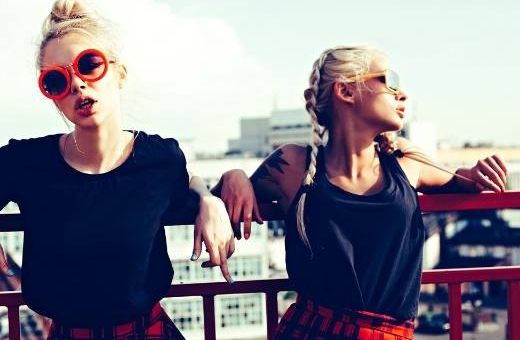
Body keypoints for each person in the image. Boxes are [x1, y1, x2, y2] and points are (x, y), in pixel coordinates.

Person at [0, 0, 234, 340]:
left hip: (148, 332)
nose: (77, 85)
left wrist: (209, 199)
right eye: (57, 81)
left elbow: (186, 181)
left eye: (89, 64)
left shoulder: (160, 159)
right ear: (53, 97)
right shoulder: (26, 162)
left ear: (119, 73)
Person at [214, 45, 508, 339]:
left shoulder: (405, 160)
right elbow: (208, 204)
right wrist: (234, 176)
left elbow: (463, 182)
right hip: (312, 330)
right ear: (347, 92)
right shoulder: (292, 164)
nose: (402, 94)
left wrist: (480, 174)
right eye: (389, 80)